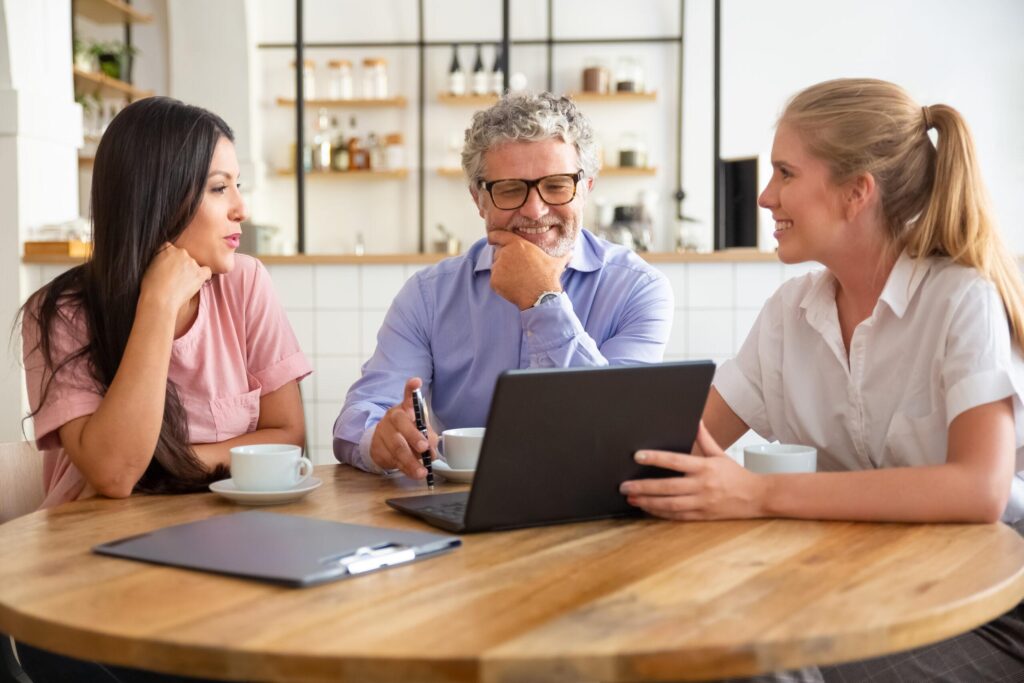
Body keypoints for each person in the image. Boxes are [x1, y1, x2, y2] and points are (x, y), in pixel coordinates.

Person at [621, 78, 1024, 681]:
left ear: (856, 192)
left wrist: (757, 495)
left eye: (785, 174)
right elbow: (680, 442)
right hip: (869, 586)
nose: (764, 197)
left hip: (990, 603)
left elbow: (978, 490)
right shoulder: (790, 314)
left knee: (766, 668)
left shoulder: (959, 300)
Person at [16, 95, 312, 682]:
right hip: (90, 586)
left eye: (236, 186)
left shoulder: (246, 283)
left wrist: (168, 467)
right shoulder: (59, 314)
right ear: (161, 195)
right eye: (219, 188)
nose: (241, 211)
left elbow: (288, 436)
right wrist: (157, 302)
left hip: (222, 557)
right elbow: (115, 474)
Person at [333, 92, 673, 477]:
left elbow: (619, 430)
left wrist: (542, 298)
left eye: (557, 185)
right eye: (511, 189)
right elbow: (356, 421)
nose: (535, 209)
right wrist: (380, 440)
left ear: (587, 189)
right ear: (480, 200)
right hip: (462, 503)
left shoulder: (639, 289)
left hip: (594, 504)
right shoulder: (428, 295)